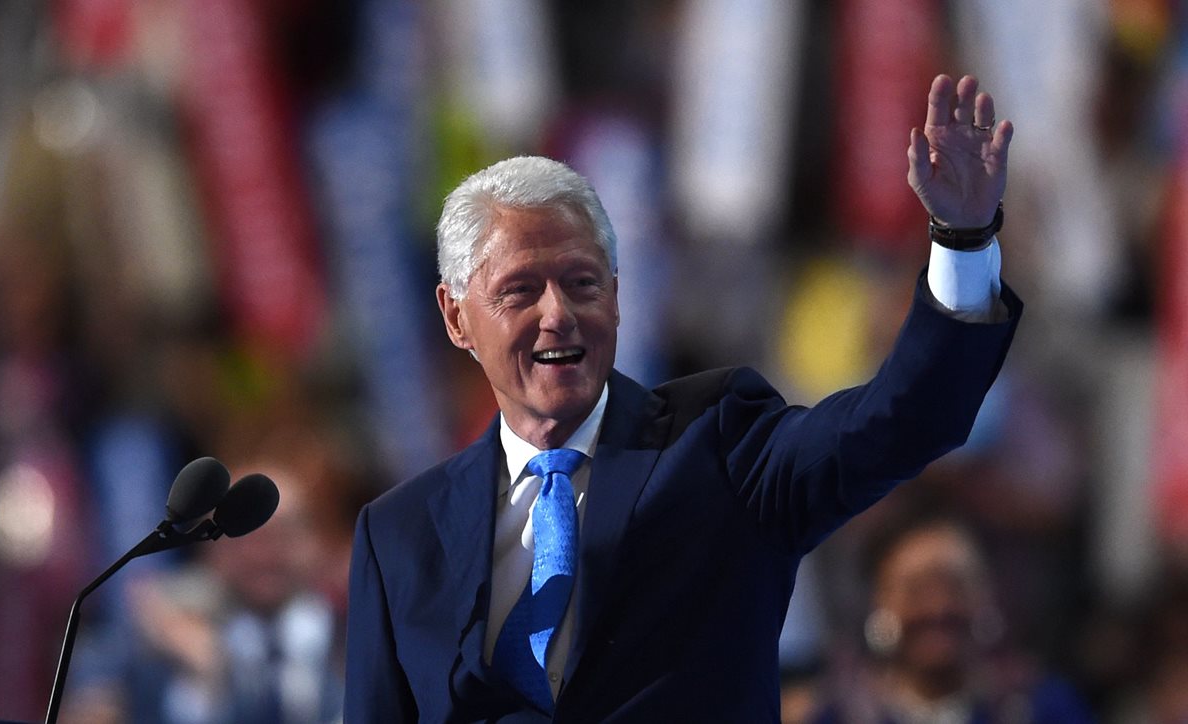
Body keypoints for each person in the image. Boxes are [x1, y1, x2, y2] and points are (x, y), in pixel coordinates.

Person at [345, 74, 1023, 722]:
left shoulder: (722, 448)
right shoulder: (399, 535)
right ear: (457, 315)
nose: (558, 314)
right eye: (521, 290)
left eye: (582, 283)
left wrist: (962, 240)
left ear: (615, 297)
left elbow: (900, 421)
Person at [809, 512, 1094, 723]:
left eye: (955, 586)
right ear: (878, 602)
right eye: (915, 591)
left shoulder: (1043, 705)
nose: (939, 608)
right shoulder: (842, 714)